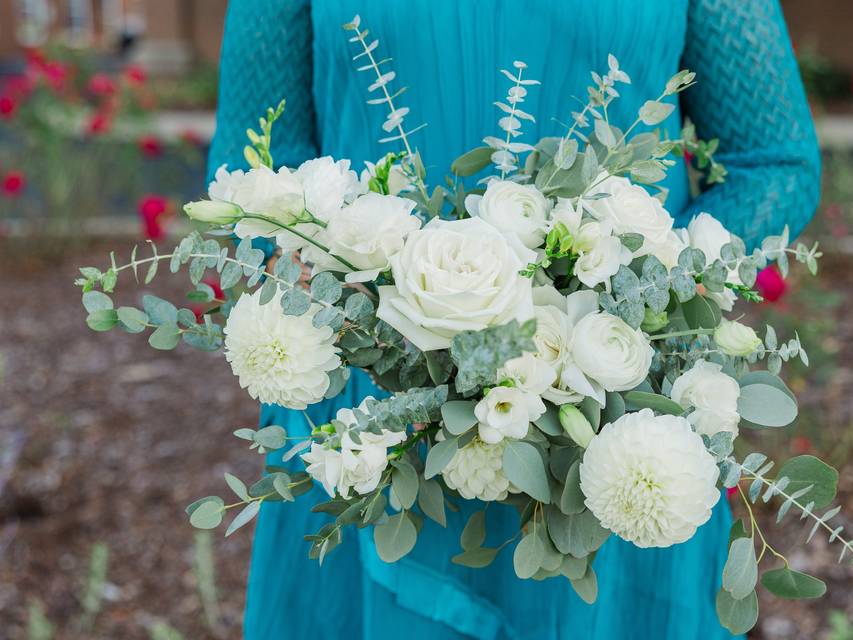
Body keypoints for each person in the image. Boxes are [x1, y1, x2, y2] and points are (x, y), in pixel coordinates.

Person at [207, 1, 820, 638]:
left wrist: (640, 286)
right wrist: (332, 281)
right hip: (368, 417)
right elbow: (252, 168)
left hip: (613, 411)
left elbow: (775, 164)